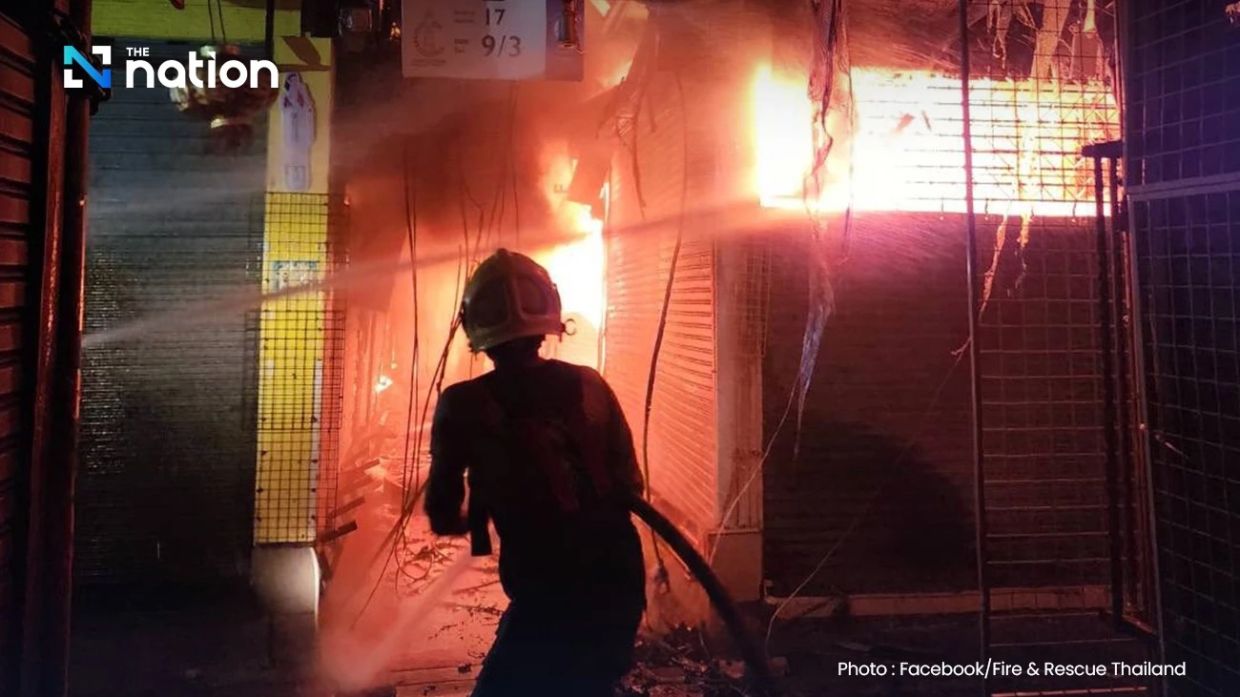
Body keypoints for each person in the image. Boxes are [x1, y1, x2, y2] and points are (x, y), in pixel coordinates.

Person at [425, 249, 647, 697]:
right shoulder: (590, 384)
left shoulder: (463, 404)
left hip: (545, 593)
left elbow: (443, 514)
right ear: (550, 315)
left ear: (473, 327)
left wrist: (490, 504)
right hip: (619, 584)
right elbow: (630, 486)